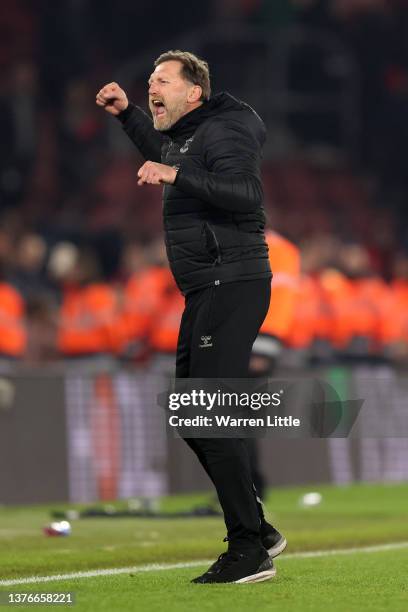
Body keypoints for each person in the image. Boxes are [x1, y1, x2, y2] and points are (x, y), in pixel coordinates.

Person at [96, 50, 285, 584]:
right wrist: (127, 112)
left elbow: (245, 193)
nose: (151, 87)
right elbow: (164, 148)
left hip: (234, 280)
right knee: (191, 418)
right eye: (148, 80)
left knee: (206, 414)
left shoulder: (223, 132)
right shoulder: (191, 133)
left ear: (193, 93)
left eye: (161, 81)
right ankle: (258, 529)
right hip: (208, 288)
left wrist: (174, 174)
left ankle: (249, 548)